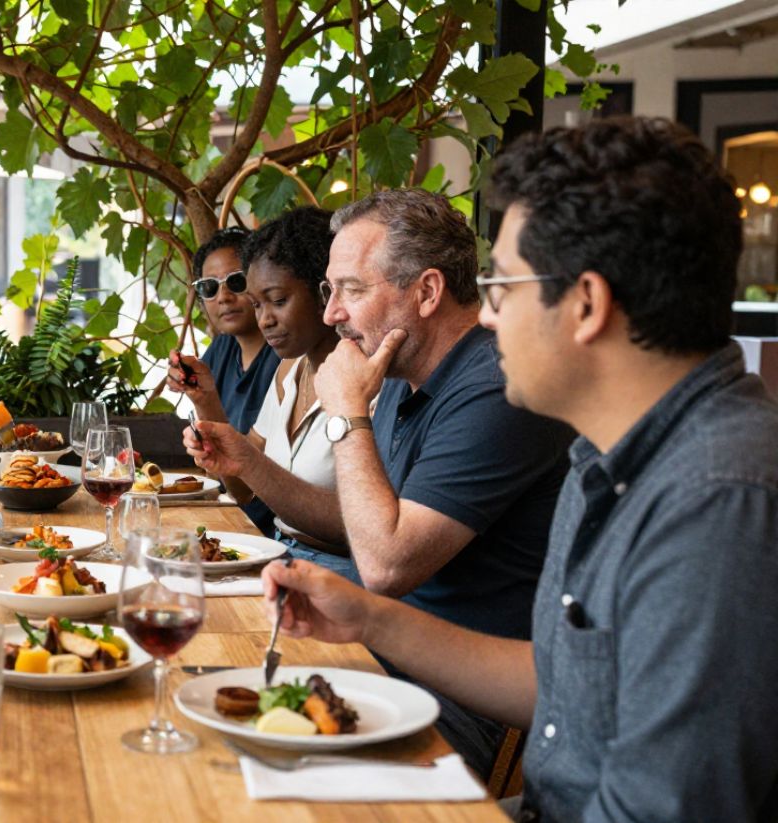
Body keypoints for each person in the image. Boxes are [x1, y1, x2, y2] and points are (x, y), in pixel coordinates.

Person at [262, 116, 778, 822]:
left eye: (503, 285)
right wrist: (371, 619)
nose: (490, 317)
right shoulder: (607, 456)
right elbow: (565, 683)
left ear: (588, 304)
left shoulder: (718, 498)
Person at [186, 188, 574, 773]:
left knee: (224, 757)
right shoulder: (393, 374)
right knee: (198, 680)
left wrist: (344, 412)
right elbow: (360, 524)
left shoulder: (493, 386)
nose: (332, 313)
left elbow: (387, 565)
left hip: (459, 696)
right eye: (329, 290)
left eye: (353, 290)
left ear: (427, 291)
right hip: (381, 652)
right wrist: (254, 463)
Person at [167, 208, 343, 553]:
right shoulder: (288, 370)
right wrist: (206, 405)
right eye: (257, 304)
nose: (265, 320)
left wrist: (246, 461)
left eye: (277, 301)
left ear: (325, 292)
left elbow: (365, 528)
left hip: (332, 564)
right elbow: (244, 487)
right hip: (275, 547)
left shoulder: (372, 382)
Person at [168, 226, 280, 535]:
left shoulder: (287, 354)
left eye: (236, 281)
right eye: (209, 287)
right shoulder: (222, 347)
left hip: (267, 526)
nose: (224, 297)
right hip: (230, 510)